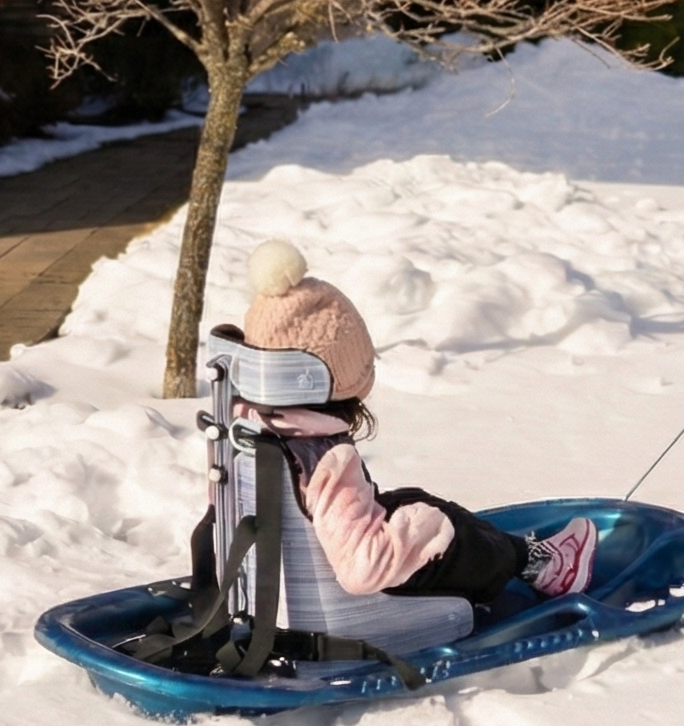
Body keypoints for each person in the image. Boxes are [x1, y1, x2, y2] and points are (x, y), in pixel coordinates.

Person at [229, 239, 597, 601]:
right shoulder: (325, 457)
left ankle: (518, 552)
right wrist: (426, 525)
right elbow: (362, 569)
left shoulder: (252, 429)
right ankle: (544, 568)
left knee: (411, 499)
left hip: (293, 571)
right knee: (447, 530)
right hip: (348, 597)